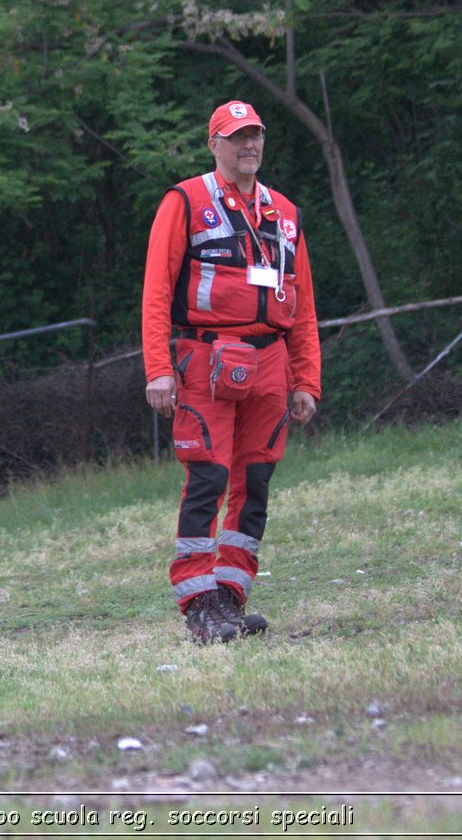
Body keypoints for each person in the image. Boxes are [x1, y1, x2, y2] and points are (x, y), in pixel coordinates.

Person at [140, 100, 320, 644]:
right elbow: (155, 290)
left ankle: (231, 597)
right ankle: (199, 602)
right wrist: (158, 368)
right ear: (213, 144)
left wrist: (306, 380)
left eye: (256, 135)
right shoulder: (186, 201)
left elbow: (304, 306)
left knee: (255, 482)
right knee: (208, 478)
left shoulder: (283, 212)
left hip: (272, 365)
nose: (249, 145)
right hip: (206, 360)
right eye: (237, 136)